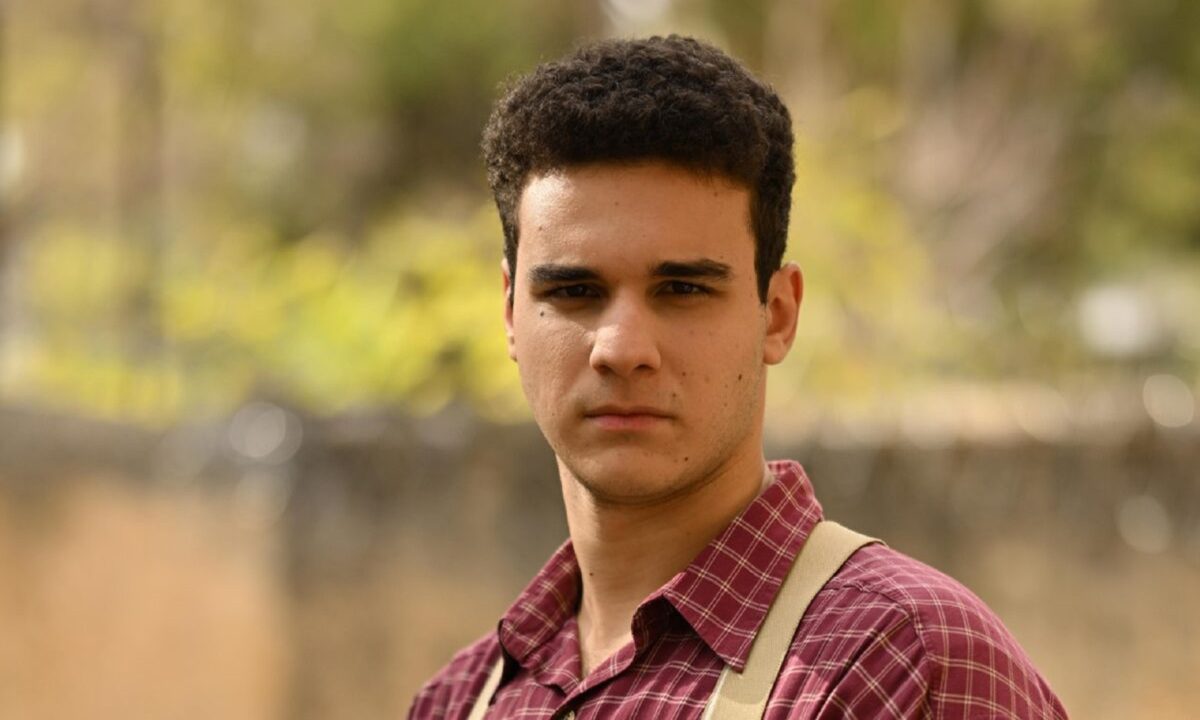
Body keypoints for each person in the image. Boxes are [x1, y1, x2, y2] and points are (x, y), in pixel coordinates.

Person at [409, 35, 1067, 719]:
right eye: (574, 291)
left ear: (777, 314)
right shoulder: (459, 701)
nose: (622, 349)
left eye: (683, 289)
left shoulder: (908, 665)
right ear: (510, 313)